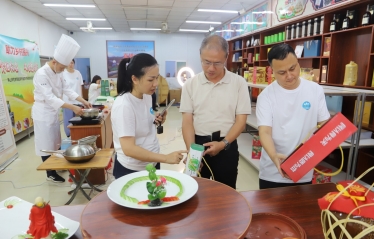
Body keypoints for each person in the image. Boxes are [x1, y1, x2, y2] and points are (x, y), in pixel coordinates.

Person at [180, 35, 251, 189]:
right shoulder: (190, 85)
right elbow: (187, 122)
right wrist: (192, 153)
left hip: (227, 144)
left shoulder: (239, 83)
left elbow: (241, 121)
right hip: (198, 145)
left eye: (217, 63)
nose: (211, 68)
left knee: (227, 192)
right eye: (206, 62)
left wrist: (223, 144)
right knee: (196, 191)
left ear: (226, 57)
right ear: (200, 55)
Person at [256, 43, 330, 189]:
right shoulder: (266, 96)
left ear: (298, 62)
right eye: (282, 72)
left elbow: (325, 126)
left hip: (303, 170)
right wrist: (275, 156)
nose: (290, 76)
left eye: (292, 68)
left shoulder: (315, 90)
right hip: (273, 172)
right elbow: (264, 132)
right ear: (272, 71)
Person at [111, 53, 187, 179]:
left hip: (152, 161)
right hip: (132, 169)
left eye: (157, 78)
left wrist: (157, 119)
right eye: (151, 80)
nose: (156, 83)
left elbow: (144, 122)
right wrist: (166, 158)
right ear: (134, 79)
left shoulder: (146, 96)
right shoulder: (124, 105)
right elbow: (129, 149)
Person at [32, 34, 91, 183]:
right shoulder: (41, 74)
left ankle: (55, 166)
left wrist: (83, 100)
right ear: (54, 61)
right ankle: (50, 173)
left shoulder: (59, 72)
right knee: (46, 143)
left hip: (52, 112)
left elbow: (68, 90)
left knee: (55, 142)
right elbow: (50, 98)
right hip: (43, 112)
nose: (64, 69)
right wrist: (72, 107)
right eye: (63, 66)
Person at [62, 59, 83, 137]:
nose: (70, 64)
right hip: (67, 101)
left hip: (78, 101)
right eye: (69, 63)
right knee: (68, 119)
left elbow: (80, 86)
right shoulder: (63, 73)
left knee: (78, 119)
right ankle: (69, 135)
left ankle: (78, 135)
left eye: (72, 63)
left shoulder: (78, 73)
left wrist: (82, 99)